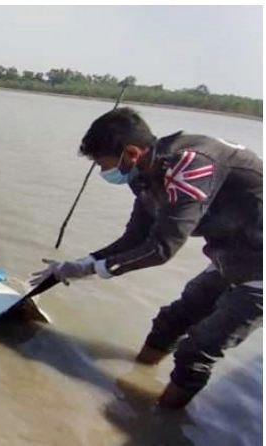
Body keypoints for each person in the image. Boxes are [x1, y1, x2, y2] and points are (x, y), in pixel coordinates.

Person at [30, 107, 262, 409]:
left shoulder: (192, 165)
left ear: (131, 152)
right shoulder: (146, 173)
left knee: (198, 349)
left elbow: (161, 249)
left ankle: (161, 419)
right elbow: (136, 238)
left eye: (103, 164)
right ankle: (135, 388)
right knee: (170, 322)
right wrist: (76, 264)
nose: (103, 172)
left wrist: (92, 269)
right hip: (229, 257)